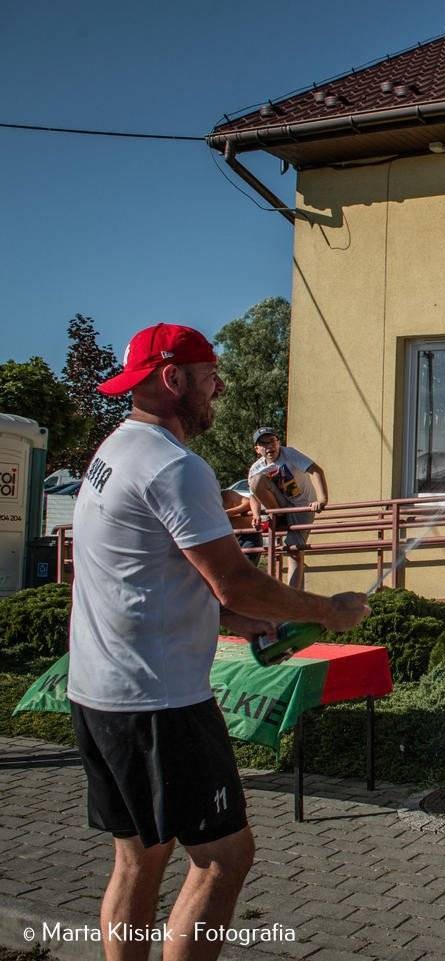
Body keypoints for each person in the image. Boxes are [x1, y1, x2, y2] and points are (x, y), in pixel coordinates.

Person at [68, 323, 369, 961]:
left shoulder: (113, 452)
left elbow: (146, 577)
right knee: (223, 860)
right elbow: (234, 581)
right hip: (161, 701)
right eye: (210, 380)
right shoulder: (176, 467)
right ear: (173, 379)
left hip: (99, 692)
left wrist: (236, 623)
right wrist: (328, 611)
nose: (218, 391)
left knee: (137, 859)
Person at [247, 428, 329, 588]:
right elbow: (253, 495)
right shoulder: (255, 468)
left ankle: (294, 596)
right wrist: (256, 515)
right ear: (257, 449)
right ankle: (278, 515)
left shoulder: (289, 454)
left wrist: (322, 500)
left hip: (302, 506)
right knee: (256, 481)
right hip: (281, 506)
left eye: (272, 441)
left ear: (278, 443)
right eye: (263, 443)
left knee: (293, 549)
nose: (269, 446)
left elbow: (316, 471)